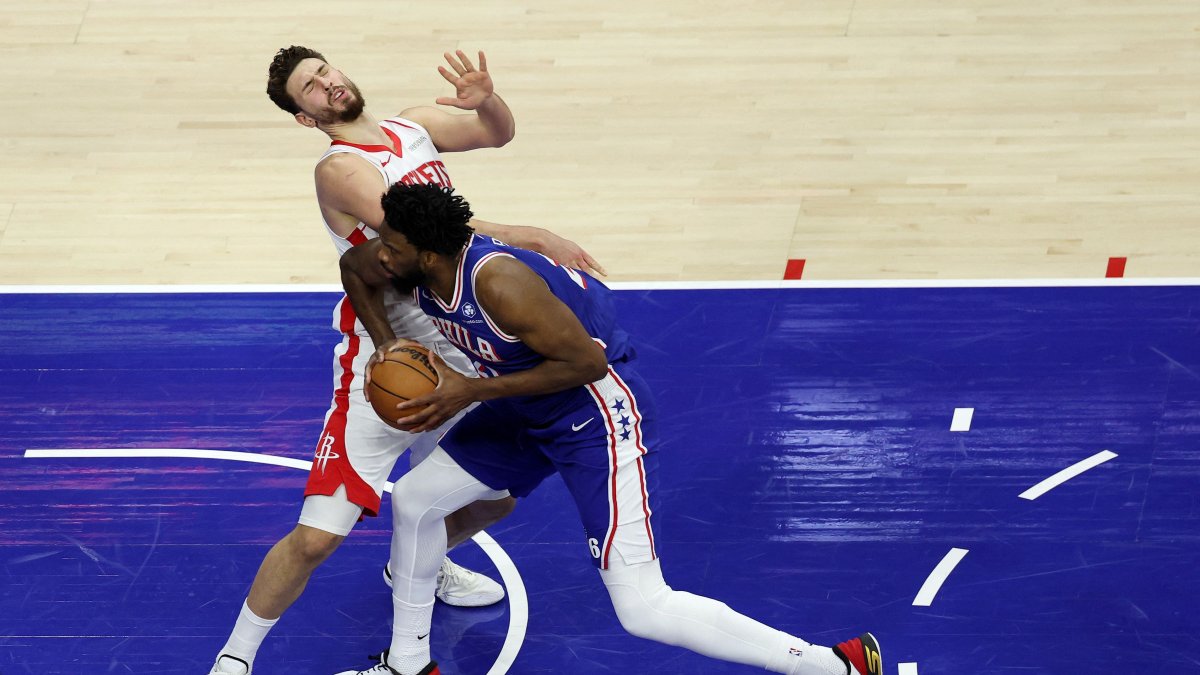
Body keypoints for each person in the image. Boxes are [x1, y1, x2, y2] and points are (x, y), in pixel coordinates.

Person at [333, 182, 884, 675]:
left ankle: (831, 666)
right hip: (523, 403)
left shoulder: (498, 283)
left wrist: (468, 387)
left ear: (428, 255)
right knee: (413, 501)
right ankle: (407, 666)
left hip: (592, 412)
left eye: (393, 248)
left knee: (643, 607)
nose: (383, 254)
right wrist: (387, 342)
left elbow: (586, 366)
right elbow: (356, 268)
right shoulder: (412, 262)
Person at [208, 47, 603, 675]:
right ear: (305, 117)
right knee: (317, 537)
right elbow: (425, 231)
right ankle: (235, 659)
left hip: (462, 345)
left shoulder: (413, 125)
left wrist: (486, 101)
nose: (327, 84)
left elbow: (495, 134)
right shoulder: (339, 168)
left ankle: (417, 564)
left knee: (495, 497)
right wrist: (527, 234)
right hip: (387, 354)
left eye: (325, 70)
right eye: (310, 88)